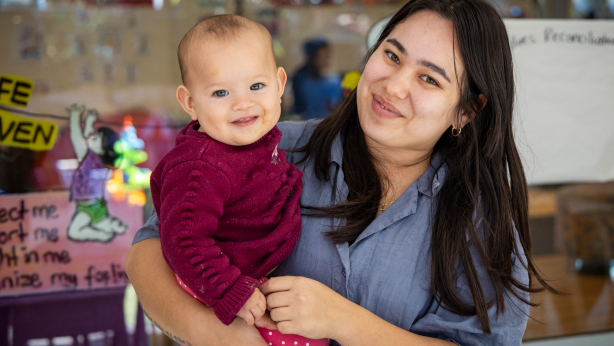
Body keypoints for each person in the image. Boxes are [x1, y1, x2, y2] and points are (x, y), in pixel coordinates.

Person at [125, 0, 557, 345]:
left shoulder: (480, 216)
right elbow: (149, 253)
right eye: (391, 55)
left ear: (466, 110)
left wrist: (344, 322)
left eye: (429, 79)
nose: (393, 85)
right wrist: (221, 337)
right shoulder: (270, 147)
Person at [149, 15, 327, 346]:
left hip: (251, 276)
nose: (242, 103)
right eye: (220, 92)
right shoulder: (200, 168)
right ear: (190, 103)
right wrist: (231, 290)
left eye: (256, 86)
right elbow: (183, 239)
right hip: (216, 282)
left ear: (279, 84)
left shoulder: (258, 138)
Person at [66, 104, 127, 243]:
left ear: (103, 148)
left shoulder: (88, 160)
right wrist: (89, 121)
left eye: (98, 136)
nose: (92, 135)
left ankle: (102, 234)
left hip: (88, 207)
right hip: (97, 205)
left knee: (73, 232)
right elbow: (88, 137)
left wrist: (75, 117)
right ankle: (111, 224)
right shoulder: (96, 160)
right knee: (99, 222)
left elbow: (77, 138)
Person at [292, 38, 343, 119]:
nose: (328, 58)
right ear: (313, 57)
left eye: (328, 54)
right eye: (324, 55)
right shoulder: (302, 80)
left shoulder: (334, 79)